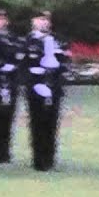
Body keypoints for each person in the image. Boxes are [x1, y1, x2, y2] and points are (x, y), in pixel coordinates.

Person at [23, 10, 69, 171]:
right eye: (41, 19)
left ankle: (49, 158)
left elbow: (65, 61)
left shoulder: (57, 40)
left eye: (47, 19)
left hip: (54, 86)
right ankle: (39, 160)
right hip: (36, 87)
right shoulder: (27, 41)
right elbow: (24, 65)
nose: (44, 22)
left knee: (51, 123)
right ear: (33, 21)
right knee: (37, 123)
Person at [0, 8, 19, 165]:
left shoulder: (13, 39)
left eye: (2, 18)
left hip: (10, 83)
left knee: (7, 118)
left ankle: (4, 153)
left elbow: (19, 58)